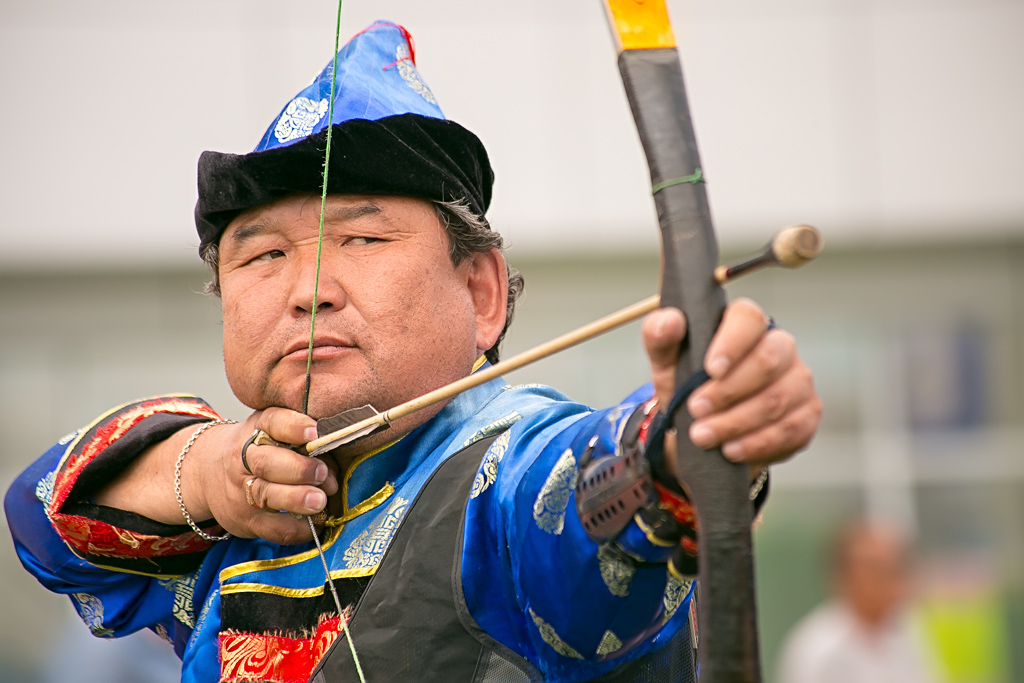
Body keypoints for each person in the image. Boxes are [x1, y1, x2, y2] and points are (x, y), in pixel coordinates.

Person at [5, 21, 821, 683]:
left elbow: (586, 496)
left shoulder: (500, 477)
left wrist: (680, 443)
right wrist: (211, 470)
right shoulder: (237, 517)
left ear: (481, 293)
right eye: (259, 256)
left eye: (361, 236)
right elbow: (40, 519)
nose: (307, 289)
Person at [776, 522, 940, 683]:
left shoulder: (906, 629)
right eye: (880, 570)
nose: (896, 582)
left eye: (898, 568)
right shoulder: (819, 649)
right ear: (848, 575)